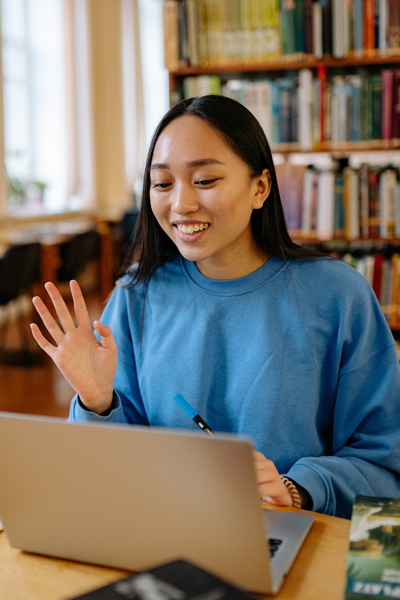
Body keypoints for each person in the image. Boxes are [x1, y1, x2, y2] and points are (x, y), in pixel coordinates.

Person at [30, 95, 400, 519]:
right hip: (164, 529)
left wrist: (295, 489)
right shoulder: (136, 295)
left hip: (292, 534)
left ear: (260, 187)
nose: (181, 205)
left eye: (204, 180)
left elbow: (385, 463)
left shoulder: (338, 296)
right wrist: (97, 403)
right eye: (163, 184)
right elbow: (103, 474)